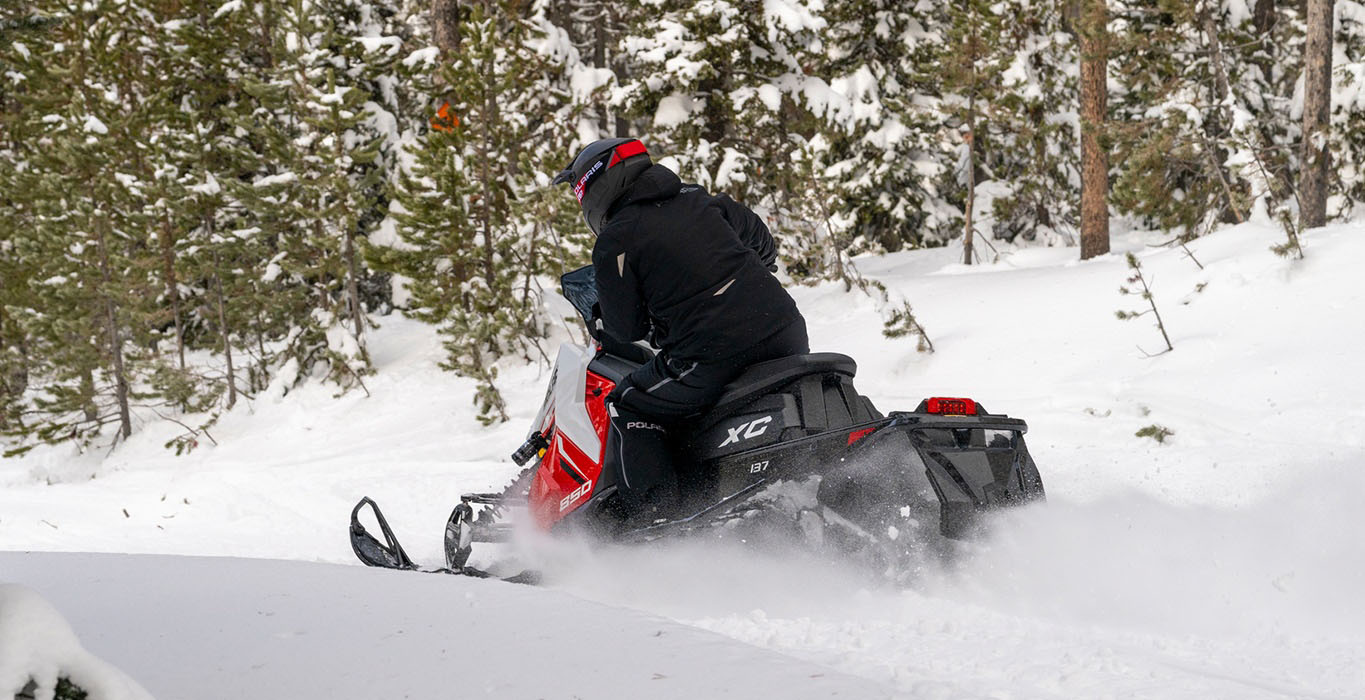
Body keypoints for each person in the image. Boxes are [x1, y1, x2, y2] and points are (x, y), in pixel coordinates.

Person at [553, 137, 808, 525]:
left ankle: (655, 519)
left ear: (597, 185)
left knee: (629, 402)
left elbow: (625, 328)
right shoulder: (701, 199)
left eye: (579, 193)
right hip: (786, 330)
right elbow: (763, 244)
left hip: (712, 352)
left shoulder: (616, 240)